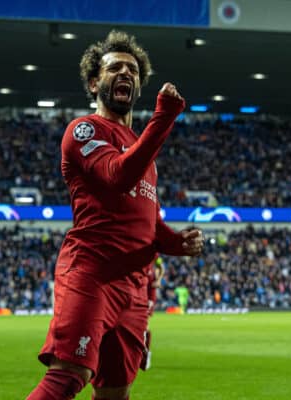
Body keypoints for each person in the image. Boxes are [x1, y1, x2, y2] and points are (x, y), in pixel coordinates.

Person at [26, 30, 204, 400]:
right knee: (68, 377)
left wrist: (177, 242)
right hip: (92, 274)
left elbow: (147, 224)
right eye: (114, 68)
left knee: (115, 392)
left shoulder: (143, 156)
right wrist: (164, 119)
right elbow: (117, 176)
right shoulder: (84, 130)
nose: (125, 73)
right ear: (94, 82)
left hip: (134, 286)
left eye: (133, 70)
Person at [140, 256, 165, 371]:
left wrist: (159, 280)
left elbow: (161, 267)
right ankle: (141, 353)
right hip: (140, 292)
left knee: (144, 324)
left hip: (150, 295)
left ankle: (146, 354)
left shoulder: (155, 257)